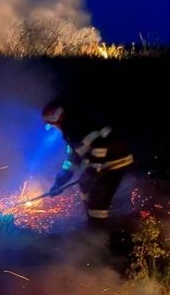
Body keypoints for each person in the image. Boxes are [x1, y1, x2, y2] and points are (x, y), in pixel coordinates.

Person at [42, 99, 134, 230]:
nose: (52, 128)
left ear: (57, 119)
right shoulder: (71, 131)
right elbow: (72, 160)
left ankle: (98, 234)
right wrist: (59, 183)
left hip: (115, 162)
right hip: (101, 164)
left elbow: (100, 146)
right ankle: (92, 218)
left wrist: (95, 170)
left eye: (52, 125)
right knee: (84, 184)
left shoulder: (79, 127)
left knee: (97, 202)